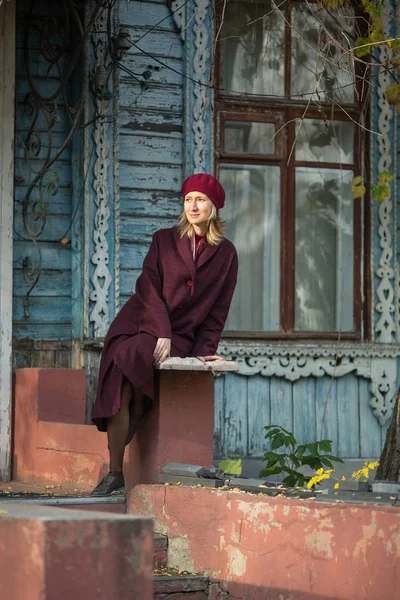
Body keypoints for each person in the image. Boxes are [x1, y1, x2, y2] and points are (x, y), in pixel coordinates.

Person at [91, 173, 238, 495]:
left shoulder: (226, 254)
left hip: (182, 334)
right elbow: (148, 288)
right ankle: (115, 471)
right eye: (188, 199)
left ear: (215, 206)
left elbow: (218, 309)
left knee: (130, 364)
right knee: (122, 363)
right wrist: (162, 331)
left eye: (200, 199)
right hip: (140, 321)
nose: (193, 206)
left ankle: (139, 415)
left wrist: (205, 349)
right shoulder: (164, 240)